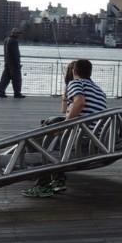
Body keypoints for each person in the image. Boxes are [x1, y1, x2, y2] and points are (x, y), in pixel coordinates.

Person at [25, 59, 109, 198]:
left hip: (81, 139)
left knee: (33, 140)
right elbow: (67, 110)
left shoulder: (76, 83)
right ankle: (57, 180)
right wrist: (66, 98)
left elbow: (79, 102)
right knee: (50, 135)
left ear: (74, 71)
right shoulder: (98, 89)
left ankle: (42, 184)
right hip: (96, 139)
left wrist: (65, 126)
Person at [0, 28, 24, 98]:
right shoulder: (14, 41)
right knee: (17, 79)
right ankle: (17, 93)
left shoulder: (6, 40)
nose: (19, 35)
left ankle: (1, 92)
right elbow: (15, 54)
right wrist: (17, 64)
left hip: (7, 62)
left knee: (5, 78)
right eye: (18, 33)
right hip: (14, 64)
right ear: (15, 33)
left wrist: (6, 61)